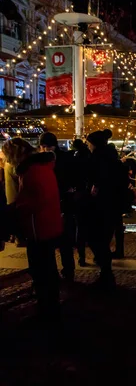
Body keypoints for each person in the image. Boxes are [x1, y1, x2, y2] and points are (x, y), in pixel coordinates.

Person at [3, 138, 62, 321]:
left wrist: (14, 209)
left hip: (38, 227)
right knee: (47, 267)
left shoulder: (30, 171)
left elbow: (33, 201)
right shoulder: (43, 167)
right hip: (48, 224)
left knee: (41, 269)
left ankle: (47, 308)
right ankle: (50, 303)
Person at [85, 130, 128, 289]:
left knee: (97, 239)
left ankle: (106, 274)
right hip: (113, 206)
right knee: (103, 239)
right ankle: (106, 273)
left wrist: (95, 189)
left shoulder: (97, 160)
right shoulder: (113, 160)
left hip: (101, 206)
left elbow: (94, 180)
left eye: (89, 143)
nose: (88, 145)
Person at [39, 132, 77, 281]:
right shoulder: (63, 159)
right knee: (61, 242)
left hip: (59, 204)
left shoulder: (53, 161)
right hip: (60, 203)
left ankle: (63, 271)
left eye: (46, 146)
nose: (44, 149)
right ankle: (64, 271)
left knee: (59, 242)